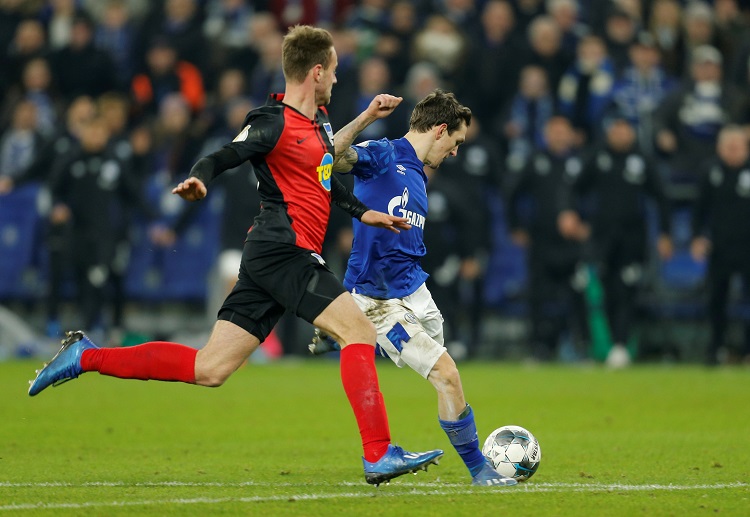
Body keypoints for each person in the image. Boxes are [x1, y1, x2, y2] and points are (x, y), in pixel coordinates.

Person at [28, 25, 444, 486]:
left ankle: (86, 356)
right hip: (283, 250)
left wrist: (364, 213)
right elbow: (223, 155)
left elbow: (324, 180)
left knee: (209, 368)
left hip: (272, 257)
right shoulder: (272, 120)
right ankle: (378, 453)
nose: (336, 79)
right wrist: (199, 178)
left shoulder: (321, 123)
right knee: (359, 332)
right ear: (316, 71)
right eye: (334, 70)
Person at [309, 90, 517, 487]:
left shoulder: (418, 171)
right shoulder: (384, 154)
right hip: (378, 299)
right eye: (455, 141)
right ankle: (480, 470)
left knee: (447, 377)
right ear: (440, 130)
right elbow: (329, 156)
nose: (455, 152)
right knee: (447, 375)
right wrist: (367, 116)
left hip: (415, 290)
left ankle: (342, 329)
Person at [691, 125, 750, 365]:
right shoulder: (710, 171)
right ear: (719, 147)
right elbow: (699, 208)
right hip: (720, 246)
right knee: (716, 299)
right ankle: (716, 349)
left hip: (748, 247)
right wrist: (697, 237)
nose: (733, 151)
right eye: (728, 146)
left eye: (737, 146)